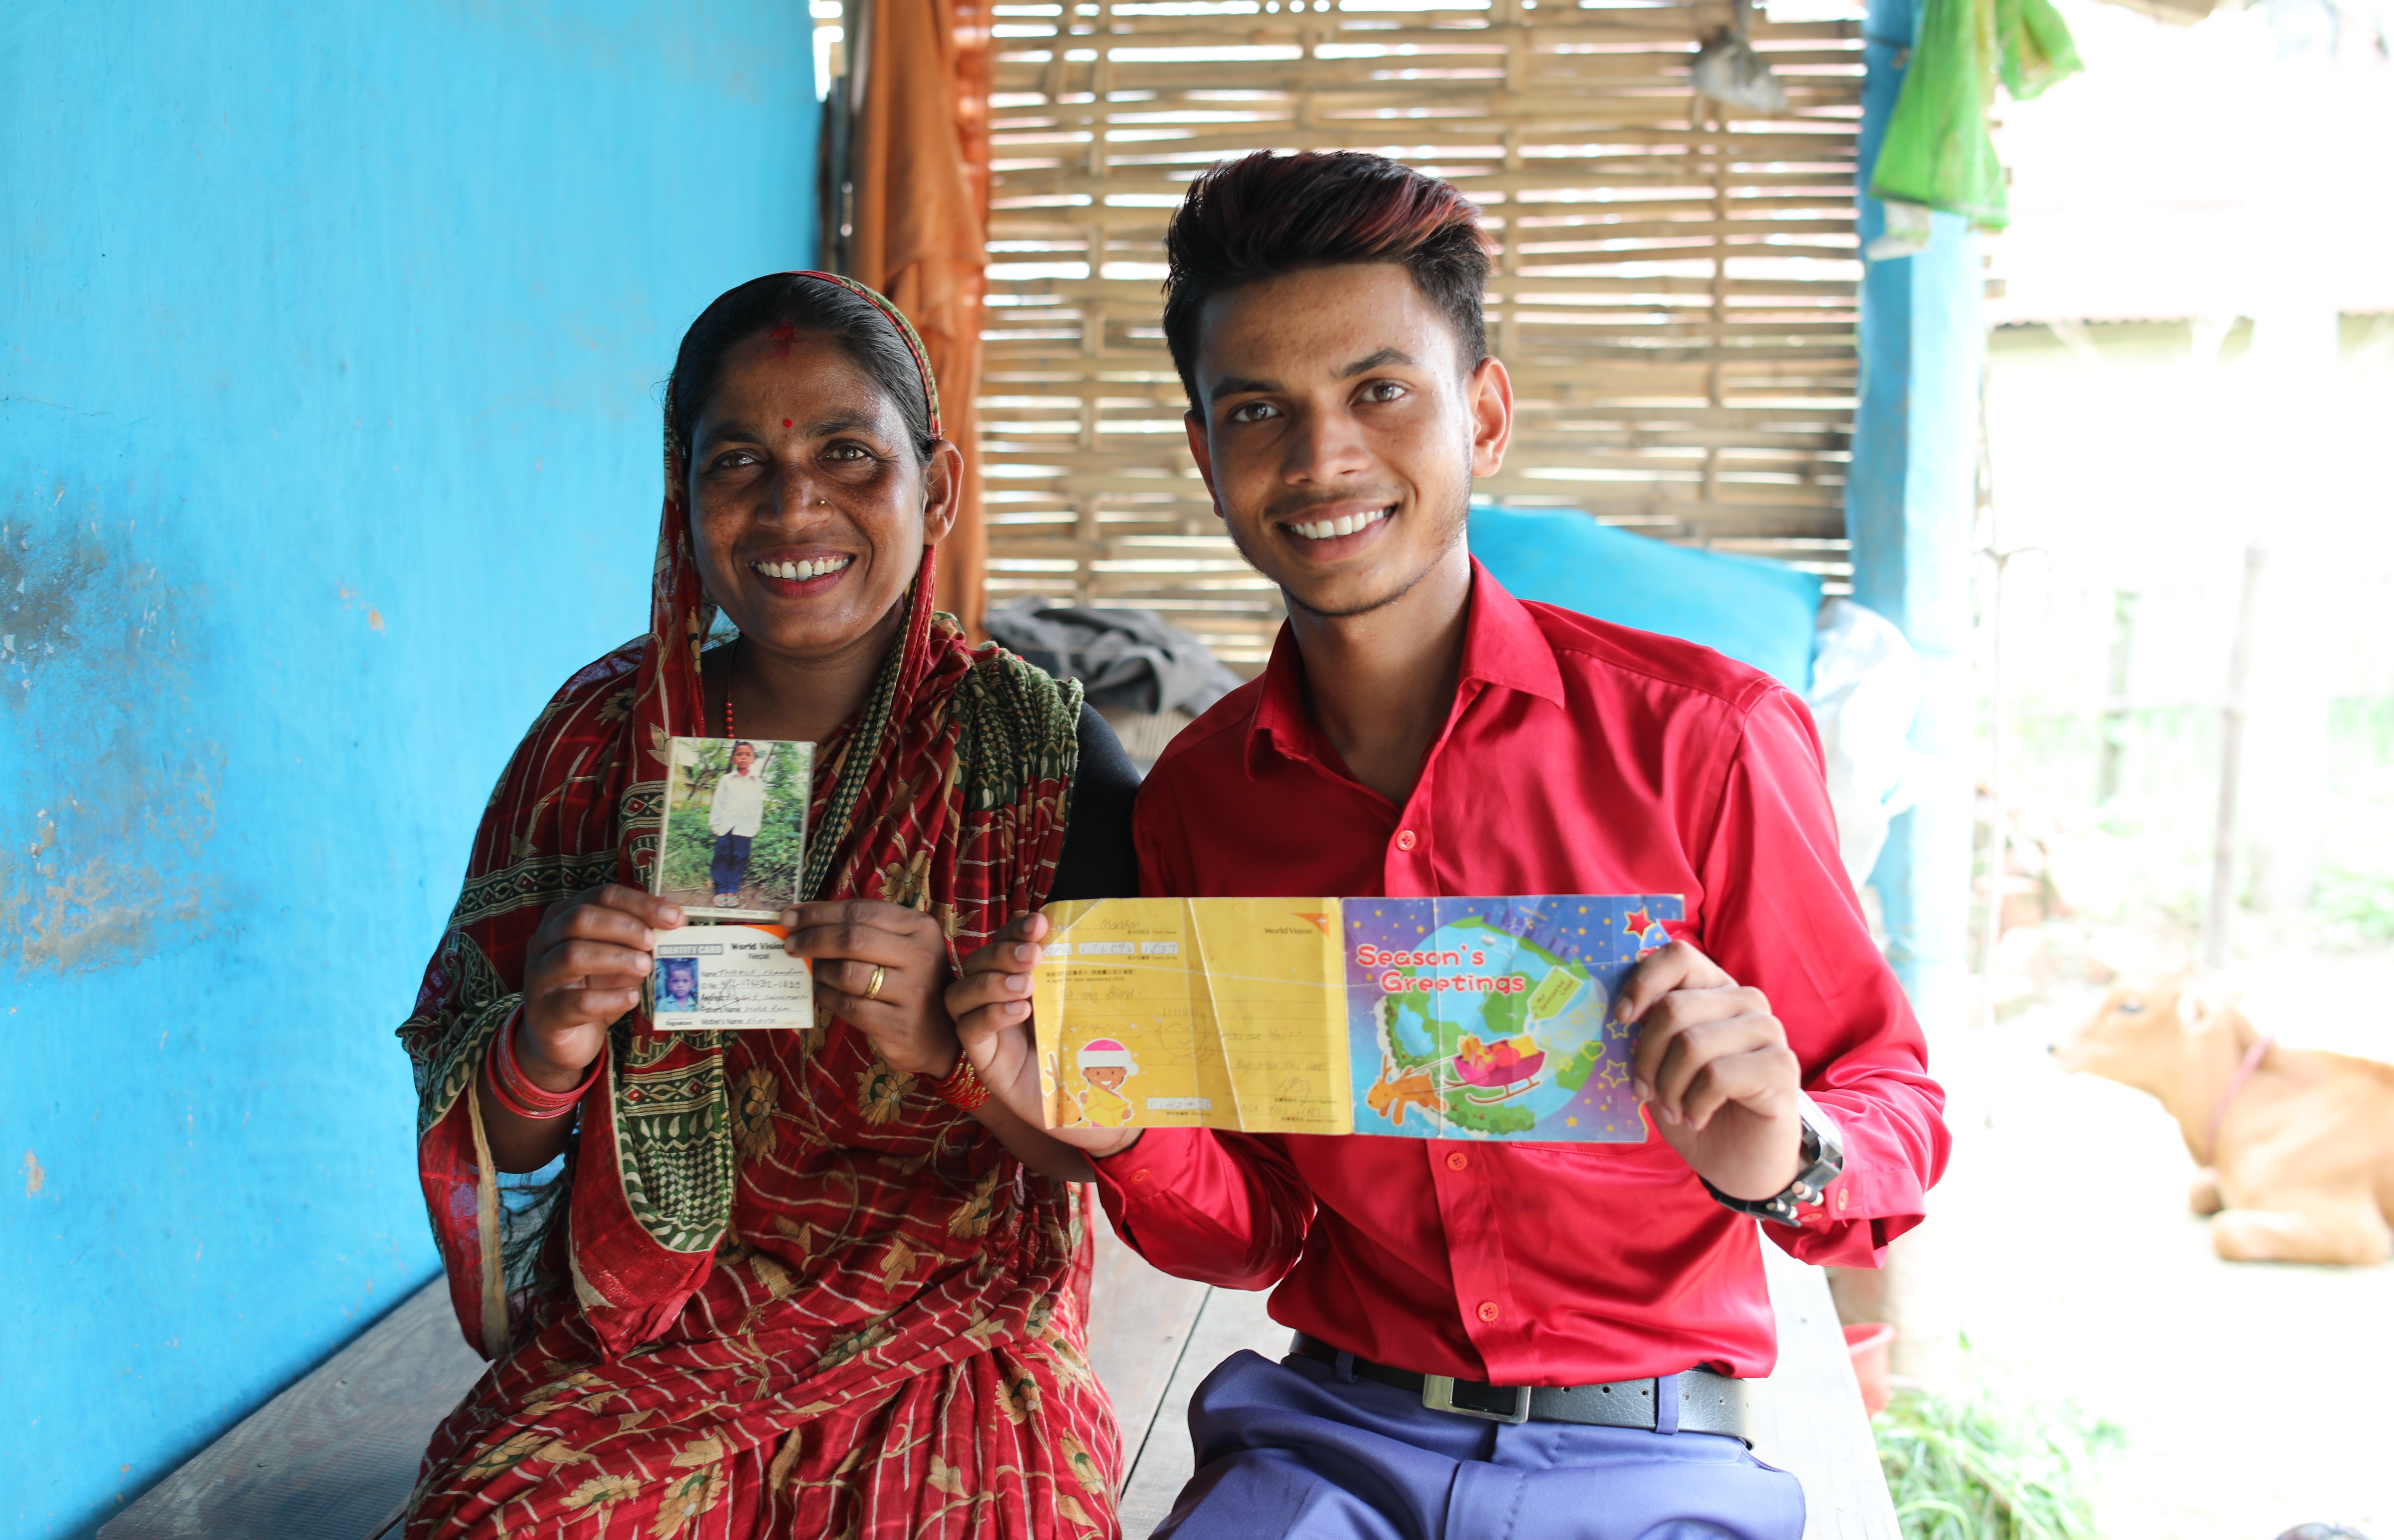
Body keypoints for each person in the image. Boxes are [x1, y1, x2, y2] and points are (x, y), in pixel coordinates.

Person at [948, 152, 1951, 1540]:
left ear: (1482, 415)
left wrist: (1786, 1147)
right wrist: (1116, 1123)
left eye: (1380, 391)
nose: (1321, 461)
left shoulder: (1708, 740)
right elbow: (1251, 1232)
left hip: (1649, 1460)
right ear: (1205, 455)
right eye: (1258, 411)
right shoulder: (1200, 803)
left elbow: (1897, 1107)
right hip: (1328, 1446)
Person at [397, 271, 1142, 1540]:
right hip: (652, 1329)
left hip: (950, 1330)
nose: (794, 504)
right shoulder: (597, 744)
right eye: (736, 461)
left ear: (937, 484)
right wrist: (545, 1045)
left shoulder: (1039, 759)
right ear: (681, 504)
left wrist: (964, 1056)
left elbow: (1129, 1154)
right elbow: (493, 1141)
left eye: (849, 453)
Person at [708, 738, 767, 906]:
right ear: (733, 758)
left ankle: (732, 890)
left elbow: (758, 806)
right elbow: (718, 803)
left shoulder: (757, 782)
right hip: (726, 826)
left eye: (748, 755)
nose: (743, 758)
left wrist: (755, 826)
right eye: (739, 754)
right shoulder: (726, 780)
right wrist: (716, 825)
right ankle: (720, 891)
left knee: (740, 858)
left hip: (746, 828)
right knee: (722, 857)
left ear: (754, 760)